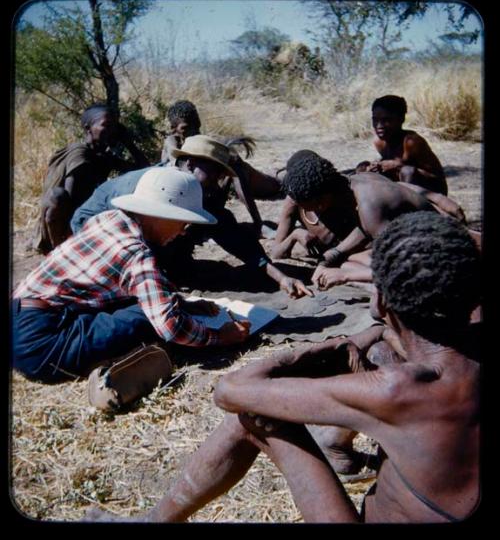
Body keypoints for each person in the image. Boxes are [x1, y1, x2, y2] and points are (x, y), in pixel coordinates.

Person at [86, 211, 480, 523]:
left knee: (254, 414)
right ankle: (337, 448)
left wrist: (331, 347)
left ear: (379, 304)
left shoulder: (401, 390)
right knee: (380, 350)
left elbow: (232, 391)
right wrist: (370, 341)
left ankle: (155, 520)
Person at [12, 169, 250, 384]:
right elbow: (171, 327)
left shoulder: (108, 219)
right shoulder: (136, 255)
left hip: (21, 316)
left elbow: (127, 287)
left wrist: (182, 303)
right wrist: (220, 337)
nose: (182, 232)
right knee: (146, 319)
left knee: (141, 307)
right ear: (162, 214)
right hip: (42, 346)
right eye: (182, 222)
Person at [72, 135, 312, 299]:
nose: (218, 180)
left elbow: (235, 238)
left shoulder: (197, 191)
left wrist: (281, 278)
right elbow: (127, 241)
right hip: (94, 233)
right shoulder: (143, 189)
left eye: (220, 173)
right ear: (189, 163)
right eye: (214, 171)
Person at [272, 150, 455, 291]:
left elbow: (403, 268)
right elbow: (366, 228)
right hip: (425, 245)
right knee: (350, 260)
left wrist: (345, 275)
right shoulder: (355, 184)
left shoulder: (370, 204)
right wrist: (335, 254)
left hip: (444, 257)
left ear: (321, 203)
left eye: (310, 207)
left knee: (357, 268)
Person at [33, 103, 150, 255]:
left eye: (115, 127)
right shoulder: (79, 153)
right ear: (88, 128)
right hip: (64, 224)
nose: (111, 131)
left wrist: (129, 143)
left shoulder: (103, 156)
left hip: (84, 216)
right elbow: (70, 199)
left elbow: (144, 169)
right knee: (59, 196)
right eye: (106, 125)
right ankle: (59, 252)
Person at [160, 100, 281, 238]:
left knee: (237, 168)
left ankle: (258, 224)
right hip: (181, 203)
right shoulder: (172, 144)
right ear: (173, 128)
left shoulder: (200, 145)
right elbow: (171, 165)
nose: (194, 132)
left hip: (209, 201)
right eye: (186, 128)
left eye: (196, 127)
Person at [356, 95, 448, 195]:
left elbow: (436, 178)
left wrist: (397, 166)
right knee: (363, 167)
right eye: (375, 120)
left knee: (408, 171)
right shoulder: (379, 142)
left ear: (401, 119)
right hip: (404, 187)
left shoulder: (411, 142)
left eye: (386, 120)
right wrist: (376, 166)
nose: (379, 126)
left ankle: (411, 209)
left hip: (432, 190)